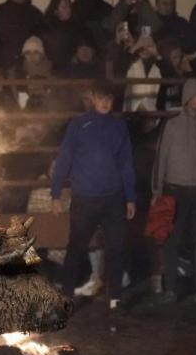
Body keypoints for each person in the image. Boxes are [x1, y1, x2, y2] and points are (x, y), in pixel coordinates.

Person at [50, 81, 137, 310]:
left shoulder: (119, 127)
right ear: (92, 98)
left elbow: (126, 163)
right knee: (76, 245)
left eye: (109, 98)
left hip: (113, 197)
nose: (105, 102)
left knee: (116, 247)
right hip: (85, 197)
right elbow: (65, 158)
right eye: (101, 97)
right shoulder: (79, 125)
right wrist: (56, 192)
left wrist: (130, 197)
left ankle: (115, 297)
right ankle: (67, 295)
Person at [152, 78, 196, 307]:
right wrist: (157, 189)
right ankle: (170, 289)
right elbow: (161, 157)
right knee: (173, 241)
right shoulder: (172, 125)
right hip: (176, 190)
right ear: (188, 97)